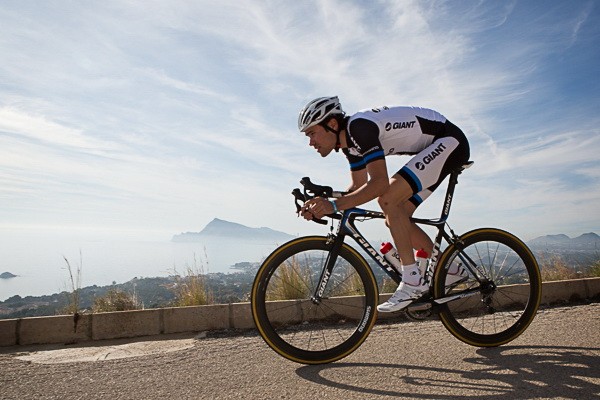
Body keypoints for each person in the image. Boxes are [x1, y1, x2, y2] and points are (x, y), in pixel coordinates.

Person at [298, 96, 470, 312]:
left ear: (332, 124)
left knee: (387, 199)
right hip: (440, 146)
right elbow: (357, 188)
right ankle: (449, 269)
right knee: (395, 216)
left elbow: (379, 184)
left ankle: (412, 282)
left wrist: (333, 206)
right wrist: (324, 203)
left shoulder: (358, 128)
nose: (310, 142)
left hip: (449, 141)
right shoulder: (350, 146)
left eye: (312, 133)